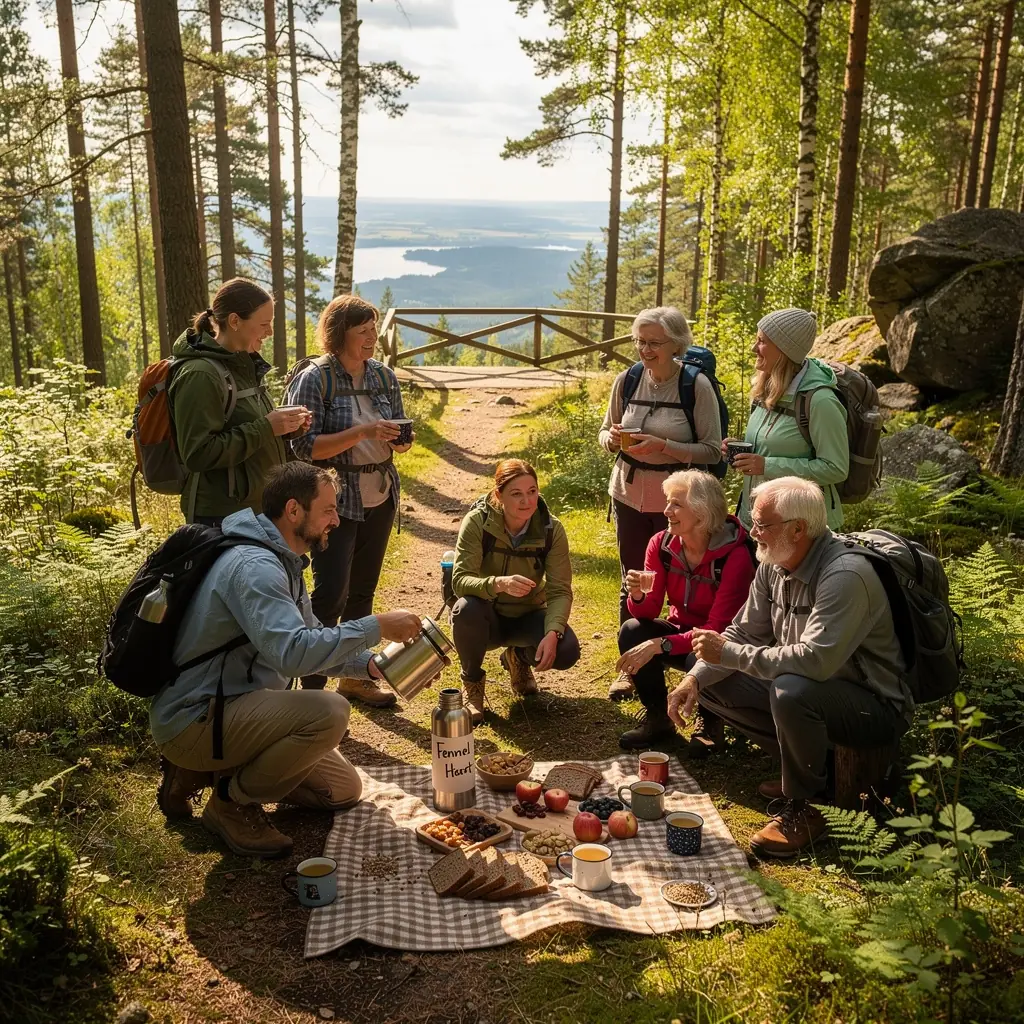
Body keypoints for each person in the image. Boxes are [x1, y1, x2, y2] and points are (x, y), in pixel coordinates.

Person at [152, 461, 423, 859]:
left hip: (241, 708)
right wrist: (376, 625)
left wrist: (374, 665)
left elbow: (312, 644)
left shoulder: (284, 560)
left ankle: (212, 770)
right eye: (328, 510)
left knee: (342, 791)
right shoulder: (255, 567)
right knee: (330, 712)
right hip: (199, 714)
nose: (337, 520)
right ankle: (230, 802)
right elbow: (295, 655)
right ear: (294, 510)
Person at [666, 477, 912, 859]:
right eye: (753, 522)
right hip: (813, 689)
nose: (753, 533)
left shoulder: (845, 575)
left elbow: (814, 661)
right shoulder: (774, 562)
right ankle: (813, 770)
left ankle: (807, 805)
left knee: (790, 692)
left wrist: (728, 654)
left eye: (762, 525)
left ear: (798, 529)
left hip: (872, 705)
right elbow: (743, 632)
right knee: (710, 675)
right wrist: (693, 679)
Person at [287, 295, 412, 708]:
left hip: (381, 494)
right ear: (340, 334)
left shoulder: (383, 376)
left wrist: (401, 440)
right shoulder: (316, 378)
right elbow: (304, 447)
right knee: (330, 596)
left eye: (374, 329)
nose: (372, 337)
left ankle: (354, 679)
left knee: (362, 592)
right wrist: (363, 433)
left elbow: (397, 429)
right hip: (335, 502)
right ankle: (311, 694)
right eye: (363, 331)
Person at [598, 306, 723, 702]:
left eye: (654, 342)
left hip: (679, 505)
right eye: (640, 341)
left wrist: (664, 446)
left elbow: (711, 450)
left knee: (684, 583)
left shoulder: (695, 386)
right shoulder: (628, 379)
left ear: (677, 344)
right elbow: (604, 432)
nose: (645, 350)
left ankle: (693, 666)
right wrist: (611, 439)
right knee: (634, 580)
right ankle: (630, 669)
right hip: (628, 495)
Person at [614, 471, 755, 751]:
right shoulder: (661, 543)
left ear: (702, 512)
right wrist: (638, 595)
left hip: (721, 642)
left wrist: (660, 644)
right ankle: (658, 718)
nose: (666, 510)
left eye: (676, 504)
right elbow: (648, 611)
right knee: (632, 631)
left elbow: (718, 630)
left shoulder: (736, 556)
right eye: (668, 502)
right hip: (681, 632)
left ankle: (710, 722)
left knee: (701, 652)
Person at [169, 277, 310, 526]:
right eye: (264, 324)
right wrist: (267, 427)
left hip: (255, 509)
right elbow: (198, 453)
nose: (270, 332)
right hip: (222, 517)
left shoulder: (243, 366)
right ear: (235, 321)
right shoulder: (200, 374)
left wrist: (286, 428)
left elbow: (244, 426)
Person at [450, 458, 580, 725]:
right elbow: (460, 580)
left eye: (532, 491)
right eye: (516, 494)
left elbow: (559, 590)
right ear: (499, 495)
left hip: (528, 615)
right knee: (465, 609)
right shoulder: (478, 521)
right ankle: (472, 685)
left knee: (567, 650)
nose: (527, 501)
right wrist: (498, 583)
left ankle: (518, 658)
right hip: (486, 617)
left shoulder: (551, 529)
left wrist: (553, 632)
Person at [726, 307, 848, 532]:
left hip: (801, 531)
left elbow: (835, 468)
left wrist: (766, 465)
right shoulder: (765, 390)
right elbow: (771, 446)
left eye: (762, 341)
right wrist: (741, 453)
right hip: (758, 523)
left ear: (784, 350)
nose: (754, 348)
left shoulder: (820, 401)